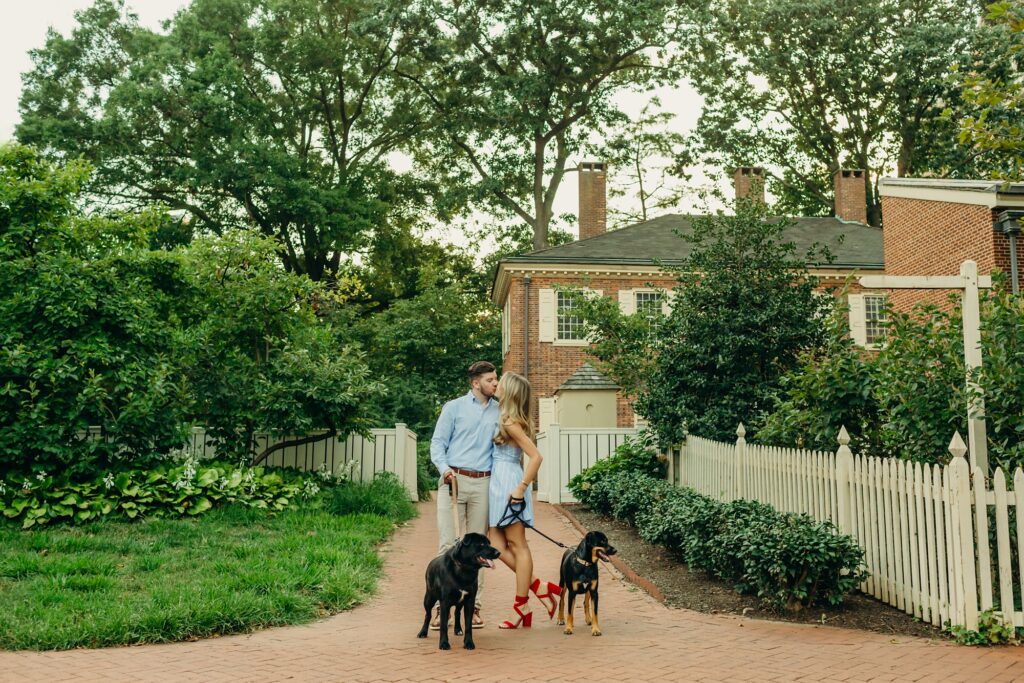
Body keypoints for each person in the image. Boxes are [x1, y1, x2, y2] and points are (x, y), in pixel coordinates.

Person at [429, 360, 500, 630]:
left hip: (484, 483)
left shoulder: (499, 410)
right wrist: (445, 470)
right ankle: (441, 609)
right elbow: (437, 443)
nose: (495, 383)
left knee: (480, 549)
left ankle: (475, 606)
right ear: (475, 383)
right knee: (449, 544)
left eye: (496, 379)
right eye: (491, 380)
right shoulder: (454, 408)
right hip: (453, 481)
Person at [487, 372, 561, 629]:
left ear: (510, 392)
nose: (497, 385)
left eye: (501, 382)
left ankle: (522, 606)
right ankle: (539, 587)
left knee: (518, 545)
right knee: (496, 545)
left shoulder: (510, 422)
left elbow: (536, 457)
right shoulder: (504, 417)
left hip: (509, 483)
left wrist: (521, 488)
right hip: (499, 482)